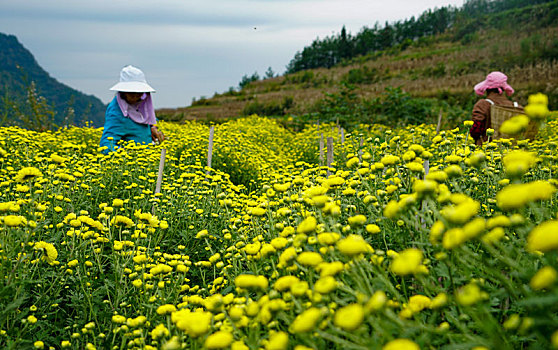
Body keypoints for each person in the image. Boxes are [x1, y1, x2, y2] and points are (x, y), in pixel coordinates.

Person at [99, 65, 165, 153]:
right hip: (132, 161)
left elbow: (145, 119)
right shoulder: (116, 113)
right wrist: (126, 155)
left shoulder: (140, 104)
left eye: (139, 92)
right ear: (123, 92)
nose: (136, 95)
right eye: (131, 92)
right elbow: (106, 144)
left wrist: (152, 128)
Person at [469, 71, 522, 146]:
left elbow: (476, 130)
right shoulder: (516, 106)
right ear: (503, 88)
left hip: (487, 150)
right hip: (512, 151)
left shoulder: (483, 105)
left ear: (487, 88)